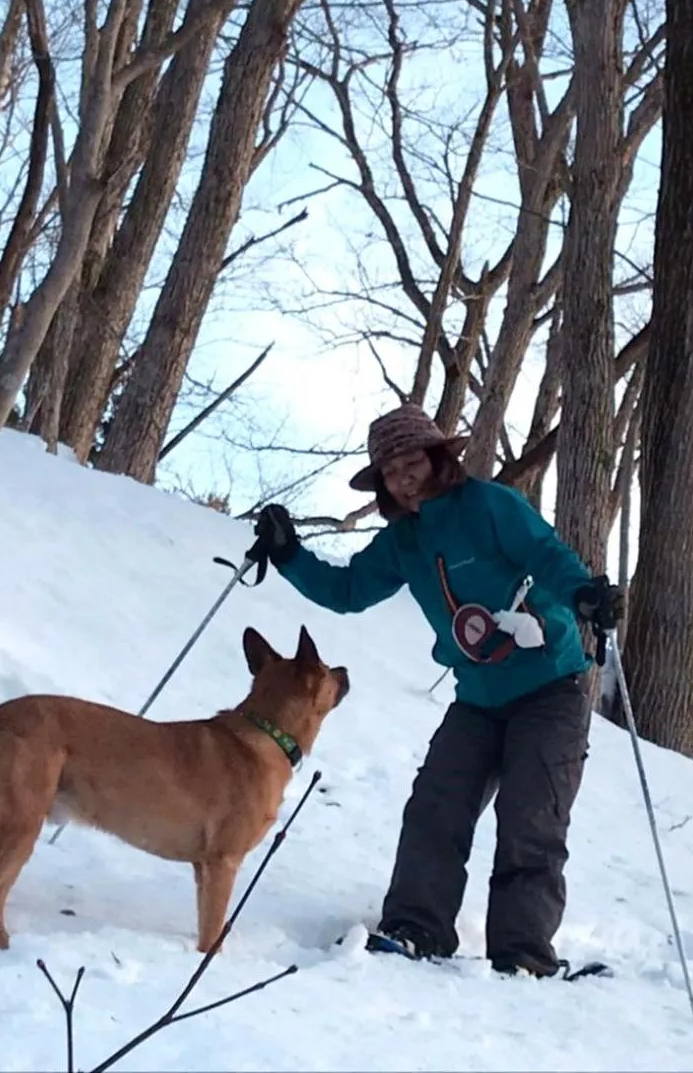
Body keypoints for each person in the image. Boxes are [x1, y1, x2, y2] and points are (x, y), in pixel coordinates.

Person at [250, 401, 624, 979]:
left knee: (533, 821)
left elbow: (545, 555)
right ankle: (415, 928)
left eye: (411, 461)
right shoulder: (405, 541)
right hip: (476, 699)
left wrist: (583, 595)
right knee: (435, 809)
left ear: (438, 456)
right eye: (390, 471)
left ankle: (522, 955)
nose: (403, 477)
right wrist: (288, 554)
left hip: (549, 689)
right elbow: (347, 589)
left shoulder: (489, 505)